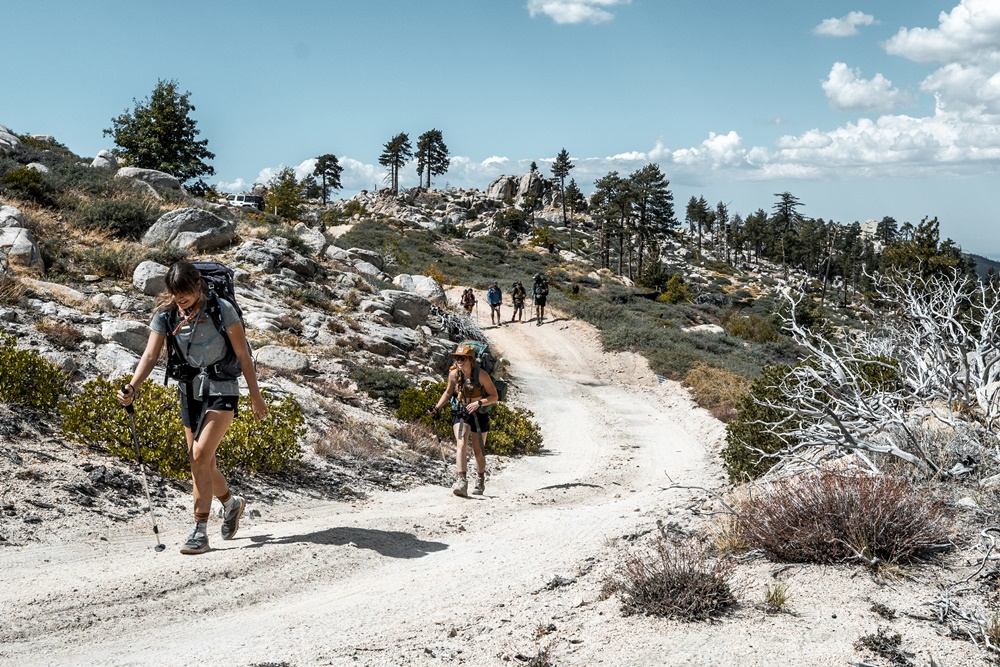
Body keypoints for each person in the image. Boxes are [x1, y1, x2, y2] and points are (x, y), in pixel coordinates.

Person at [117, 261, 268, 555]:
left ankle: (200, 531)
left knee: (199, 456)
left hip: (222, 386)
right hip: (189, 390)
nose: (181, 298)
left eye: (185, 291)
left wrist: (255, 396)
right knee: (203, 462)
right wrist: (133, 386)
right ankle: (231, 503)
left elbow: (243, 355)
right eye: (175, 292)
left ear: (197, 284)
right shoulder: (166, 315)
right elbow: (149, 356)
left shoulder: (221, 309)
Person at [427, 344, 498, 497]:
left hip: (480, 414)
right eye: (457, 358)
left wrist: (479, 403)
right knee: (461, 444)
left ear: (471, 360)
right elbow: (448, 392)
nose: (459, 361)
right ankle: (462, 481)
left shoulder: (482, 375)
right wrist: (437, 408)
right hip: (461, 412)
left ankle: (480, 480)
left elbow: (494, 396)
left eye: (462, 358)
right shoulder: (453, 375)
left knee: (478, 451)